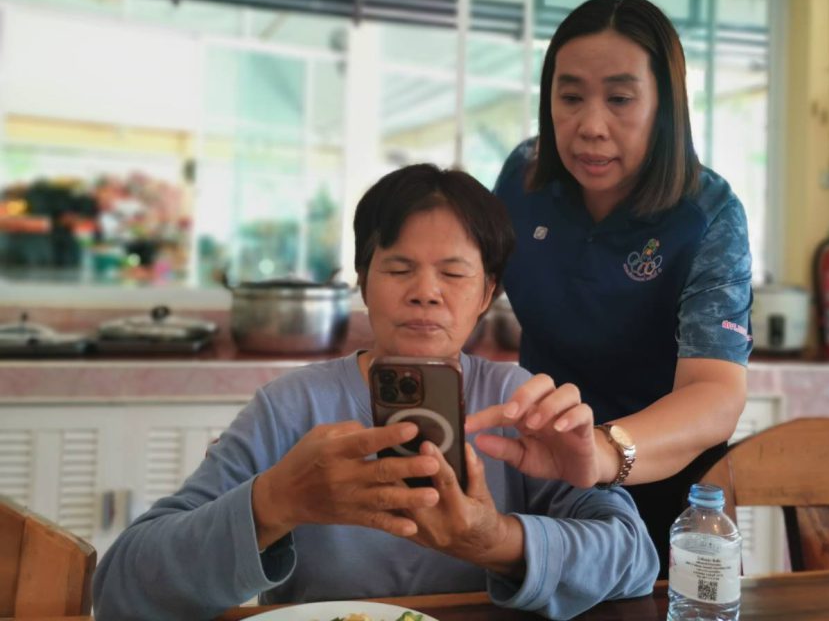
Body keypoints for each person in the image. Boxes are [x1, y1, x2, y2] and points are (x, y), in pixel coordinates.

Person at [91, 164, 658, 621]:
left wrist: (495, 541)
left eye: (453, 273)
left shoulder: (516, 406)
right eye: (399, 268)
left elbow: (636, 561)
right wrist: (274, 502)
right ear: (363, 282)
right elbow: (121, 590)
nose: (425, 292)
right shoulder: (290, 407)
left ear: (488, 292)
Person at [472, 0, 751, 575]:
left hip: (665, 489)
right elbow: (469, 288)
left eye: (620, 99)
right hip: (542, 477)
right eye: (570, 97)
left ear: (665, 105)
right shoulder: (524, 178)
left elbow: (715, 394)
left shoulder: (708, 214)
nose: (590, 127)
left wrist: (601, 450)